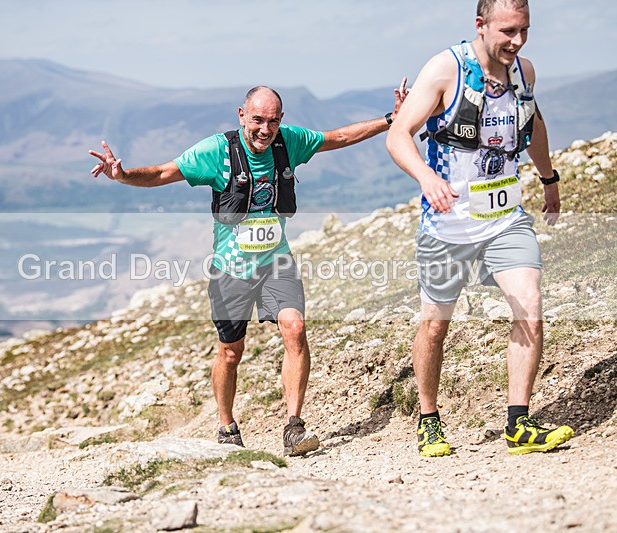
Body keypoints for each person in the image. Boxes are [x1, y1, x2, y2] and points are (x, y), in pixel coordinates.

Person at [90, 81, 408, 456]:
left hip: (276, 261)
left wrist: (390, 120)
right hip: (231, 270)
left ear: (281, 119)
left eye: (273, 121)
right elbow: (163, 173)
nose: (265, 129)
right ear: (242, 116)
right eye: (257, 120)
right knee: (231, 352)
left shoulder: (288, 142)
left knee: (295, 329)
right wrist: (123, 175)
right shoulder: (217, 151)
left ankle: (294, 428)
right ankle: (227, 427)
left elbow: (337, 137)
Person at [386, 0, 573, 456]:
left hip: (506, 219)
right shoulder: (445, 69)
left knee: (530, 305)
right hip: (448, 226)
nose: (517, 41)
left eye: (524, 30)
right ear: (481, 25)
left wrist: (548, 178)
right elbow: (398, 135)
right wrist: (427, 178)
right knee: (435, 326)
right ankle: (428, 419)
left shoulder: (524, 72)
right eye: (508, 31)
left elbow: (533, 124)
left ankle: (519, 424)